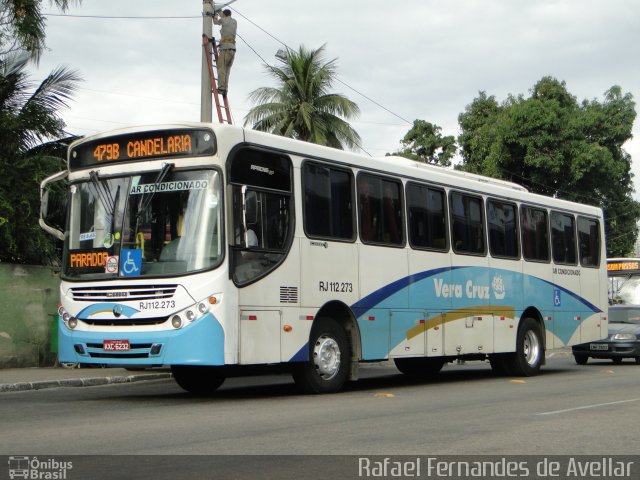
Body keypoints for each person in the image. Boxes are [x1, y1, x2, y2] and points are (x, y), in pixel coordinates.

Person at [213, 9, 237, 96]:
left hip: (225, 49)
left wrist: (215, 15)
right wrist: (220, 12)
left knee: (221, 69)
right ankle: (225, 89)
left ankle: (221, 88)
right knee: (227, 71)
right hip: (232, 49)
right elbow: (225, 18)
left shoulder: (223, 20)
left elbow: (216, 22)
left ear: (224, 14)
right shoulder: (234, 21)